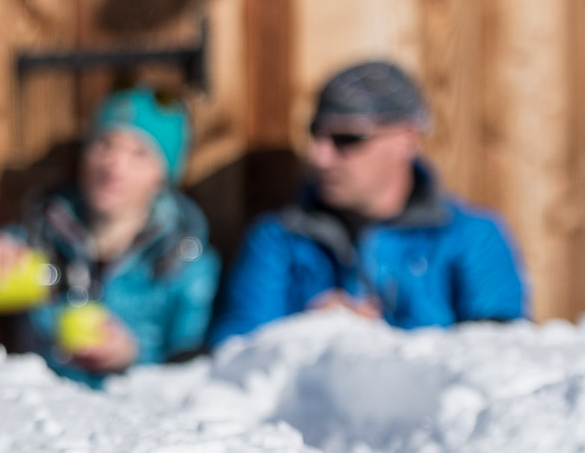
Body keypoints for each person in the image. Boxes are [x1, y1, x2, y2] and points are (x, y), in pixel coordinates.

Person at [210, 60, 527, 343]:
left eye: (346, 138)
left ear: (406, 138)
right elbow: (230, 359)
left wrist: (380, 345)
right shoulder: (276, 241)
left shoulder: (472, 237)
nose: (320, 156)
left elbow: (499, 358)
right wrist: (305, 336)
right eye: (316, 135)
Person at [0, 87, 219, 387]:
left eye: (139, 154)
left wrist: (132, 357)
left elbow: (190, 367)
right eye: (105, 144)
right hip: (36, 406)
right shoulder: (38, 235)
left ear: (163, 175)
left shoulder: (186, 262)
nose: (114, 166)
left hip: (136, 417)